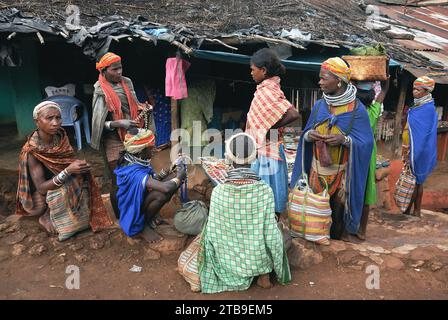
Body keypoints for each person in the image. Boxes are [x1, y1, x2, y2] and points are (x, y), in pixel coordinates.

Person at [290, 57, 374, 242]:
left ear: (339, 80)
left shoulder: (356, 109)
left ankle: (337, 242)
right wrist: (309, 136)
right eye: (319, 78)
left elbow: (366, 142)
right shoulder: (320, 105)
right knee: (316, 208)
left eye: (324, 78)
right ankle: (316, 237)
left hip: (342, 171)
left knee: (338, 209)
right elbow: (307, 132)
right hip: (317, 169)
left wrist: (344, 140)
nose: (319, 82)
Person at [199, 133, 291, 294]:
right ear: (255, 157)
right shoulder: (264, 191)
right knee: (283, 235)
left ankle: (238, 272)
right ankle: (264, 275)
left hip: (227, 260)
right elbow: (270, 235)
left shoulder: (219, 192)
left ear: (228, 158)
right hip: (257, 259)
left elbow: (212, 234)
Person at [16, 101, 112, 239]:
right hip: (41, 193)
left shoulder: (61, 137)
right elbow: (42, 188)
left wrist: (80, 167)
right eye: (49, 118)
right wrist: (68, 171)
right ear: (37, 122)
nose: (55, 123)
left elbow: (67, 162)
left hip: (59, 180)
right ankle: (46, 215)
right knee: (66, 182)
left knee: (83, 175)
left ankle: (70, 212)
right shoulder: (32, 151)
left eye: (58, 117)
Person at [90, 52, 152, 218]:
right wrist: (118, 123)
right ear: (104, 71)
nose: (119, 72)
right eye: (114, 69)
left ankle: (140, 212)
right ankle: (121, 217)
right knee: (118, 180)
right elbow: (97, 123)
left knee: (140, 176)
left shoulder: (127, 82)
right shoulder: (100, 90)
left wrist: (142, 108)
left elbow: (133, 104)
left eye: (120, 68)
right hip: (114, 140)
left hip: (133, 137)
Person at [245, 48, 300, 218]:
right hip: (266, 151)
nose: (251, 73)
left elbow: (293, 113)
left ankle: (268, 235)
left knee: (264, 201)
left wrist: (270, 129)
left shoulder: (268, 90)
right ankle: (270, 233)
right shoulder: (267, 88)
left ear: (263, 70)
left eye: (253, 70)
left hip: (266, 154)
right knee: (267, 200)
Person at [114, 128, 187, 243]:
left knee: (172, 177)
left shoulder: (136, 160)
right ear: (140, 151)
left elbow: (152, 181)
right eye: (151, 148)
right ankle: (142, 228)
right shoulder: (134, 172)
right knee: (163, 193)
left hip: (141, 199)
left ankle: (151, 218)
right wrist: (179, 177)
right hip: (132, 209)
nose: (155, 150)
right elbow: (165, 187)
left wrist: (171, 168)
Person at [355, 77, 390, 240]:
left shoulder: (352, 111)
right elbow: (382, 92)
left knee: (351, 188)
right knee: (367, 191)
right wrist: (386, 81)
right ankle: (362, 229)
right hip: (369, 153)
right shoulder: (373, 110)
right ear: (371, 98)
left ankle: (348, 226)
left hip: (354, 151)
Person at [401, 76, 438, 217]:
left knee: (417, 181)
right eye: (414, 89)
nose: (414, 92)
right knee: (413, 180)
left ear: (426, 91)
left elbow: (422, 135)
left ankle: (415, 211)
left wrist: (413, 154)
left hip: (420, 150)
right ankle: (409, 209)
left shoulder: (426, 109)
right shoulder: (419, 106)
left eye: (418, 89)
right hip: (412, 148)